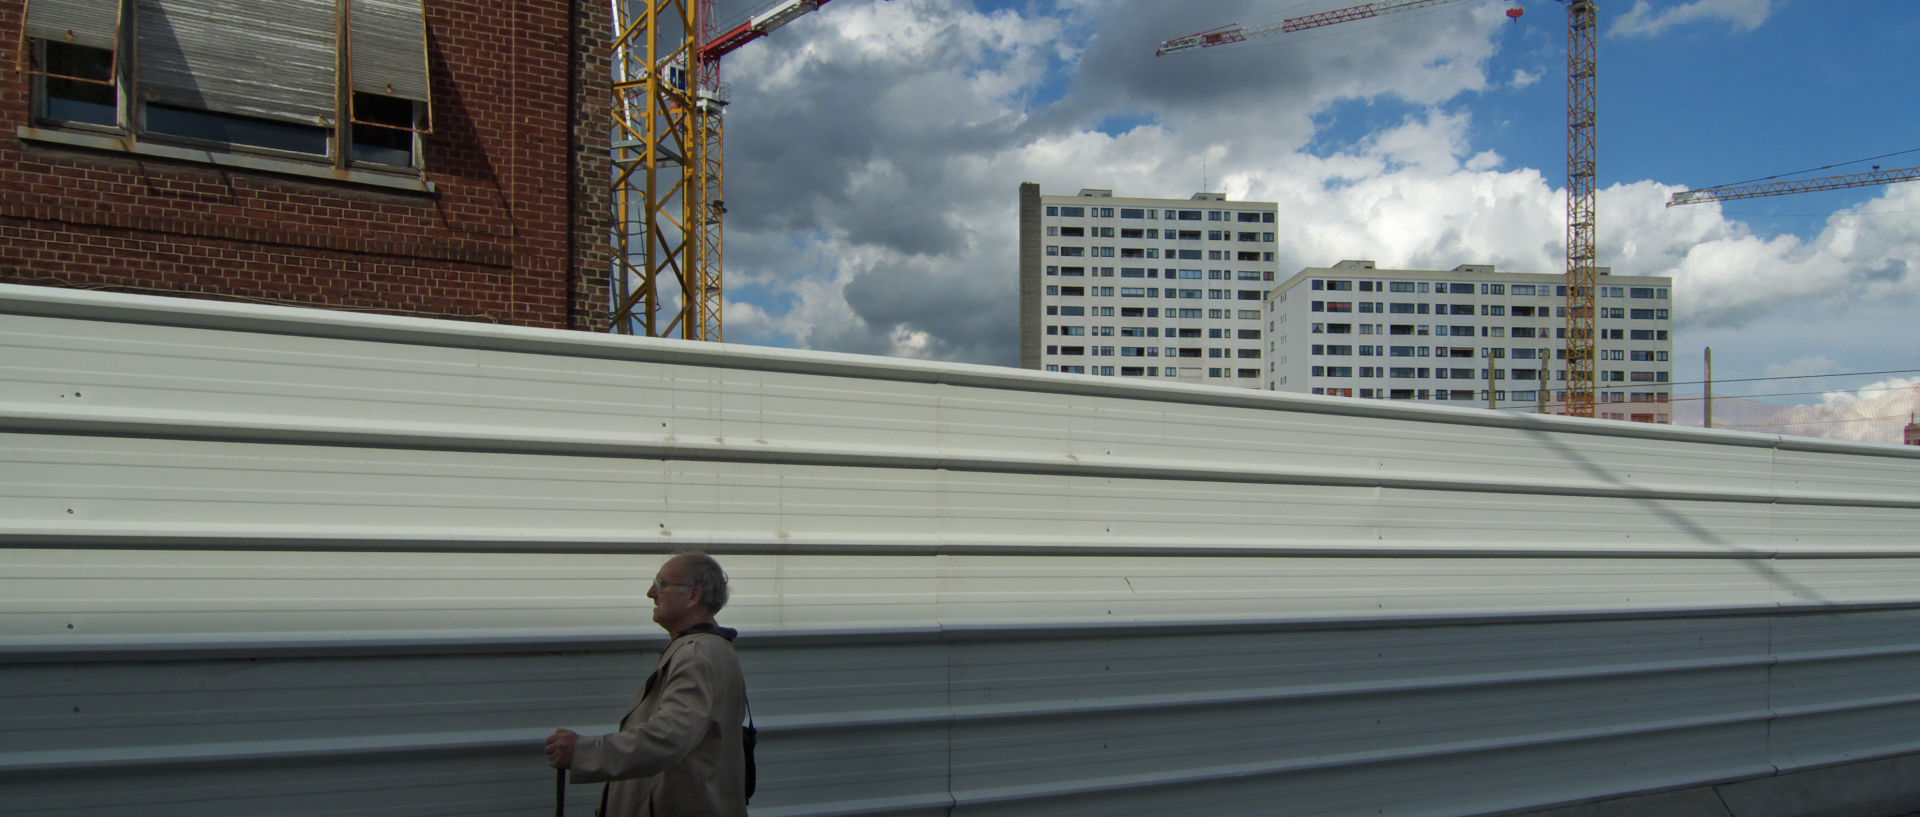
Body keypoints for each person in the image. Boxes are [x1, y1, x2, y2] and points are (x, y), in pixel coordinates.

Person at [546, 552, 748, 817]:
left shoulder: (697, 654)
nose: (651, 592)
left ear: (693, 596)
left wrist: (584, 753)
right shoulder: (705, 648)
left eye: (661, 584)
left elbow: (669, 736)